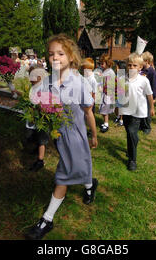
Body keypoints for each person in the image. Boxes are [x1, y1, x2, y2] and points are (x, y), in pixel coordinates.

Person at [25, 34, 98, 240]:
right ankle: (90, 184)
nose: (54, 58)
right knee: (77, 165)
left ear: (71, 57)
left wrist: (93, 134)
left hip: (75, 134)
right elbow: (37, 104)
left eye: (60, 53)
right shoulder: (46, 82)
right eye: (50, 54)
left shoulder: (81, 83)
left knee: (63, 173)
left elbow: (88, 112)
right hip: (58, 134)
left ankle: (47, 219)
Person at [119, 53, 155, 171]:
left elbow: (149, 95)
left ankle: (132, 160)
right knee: (129, 132)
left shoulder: (143, 80)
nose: (131, 68)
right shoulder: (122, 79)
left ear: (140, 67)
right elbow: (120, 95)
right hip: (126, 110)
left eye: (135, 65)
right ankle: (133, 144)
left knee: (131, 132)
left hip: (138, 111)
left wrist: (151, 108)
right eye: (129, 65)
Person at [24, 65, 50, 172]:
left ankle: (40, 160)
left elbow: (44, 105)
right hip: (33, 117)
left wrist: (37, 105)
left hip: (41, 118)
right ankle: (37, 148)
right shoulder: (34, 87)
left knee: (41, 139)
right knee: (31, 135)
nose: (30, 78)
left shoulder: (44, 88)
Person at [140, 52, 156, 134]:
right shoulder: (141, 70)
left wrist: (154, 97)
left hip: (148, 95)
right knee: (141, 110)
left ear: (146, 61)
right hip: (141, 94)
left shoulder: (152, 72)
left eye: (142, 60)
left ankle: (147, 127)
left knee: (147, 112)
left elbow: (154, 85)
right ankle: (141, 125)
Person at [99, 54, 115, 133]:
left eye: (102, 63)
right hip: (104, 93)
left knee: (105, 109)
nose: (101, 65)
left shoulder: (110, 72)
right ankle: (105, 122)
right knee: (103, 108)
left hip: (108, 94)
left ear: (107, 63)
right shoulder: (105, 71)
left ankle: (106, 124)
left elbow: (110, 84)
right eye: (100, 63)